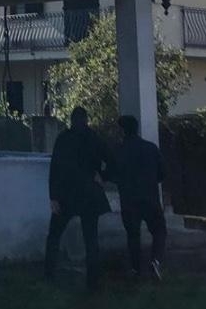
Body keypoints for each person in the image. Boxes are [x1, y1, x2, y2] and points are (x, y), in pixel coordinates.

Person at [44, 106, 111, 291]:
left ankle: (49, 275)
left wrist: (53, 197)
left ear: (71, 121)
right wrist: (103, 176)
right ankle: (93, 281)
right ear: (86, 120)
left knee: (54, 235)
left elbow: (55, 169)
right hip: (89, 193)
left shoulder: (64, 139)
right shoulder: (94, 138)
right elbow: (112, 160)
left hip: (67, 193)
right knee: (91, 239)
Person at [113, 114, 167, 281]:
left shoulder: (119, 151)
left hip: (129, 200)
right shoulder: (151, 148)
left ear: (123, 131)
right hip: (150, 197)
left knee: (133, 235)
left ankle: (136, 268)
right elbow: (162, 173)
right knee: (159, 230)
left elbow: (113, 174)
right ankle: (155, 260)